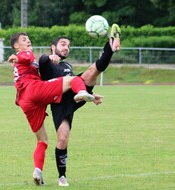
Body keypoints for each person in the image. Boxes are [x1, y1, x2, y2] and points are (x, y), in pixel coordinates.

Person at [38, 23, 121, 186]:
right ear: (53, 47)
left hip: (75, 94)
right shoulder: (48, 64)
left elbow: (75, 81)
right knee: (62, 139)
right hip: (59, 102)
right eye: (63, 44)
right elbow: (40, 60)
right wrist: (48, 57)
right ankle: (62, 176)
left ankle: (110, 45)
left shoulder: (67, 66)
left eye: (68, 45)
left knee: (93, 71)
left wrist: (89, 94)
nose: (66, 48)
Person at [8, 32, 95, 186]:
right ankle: (82, 92)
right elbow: (27, 57)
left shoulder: (24, 59)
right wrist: (18, 57)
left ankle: (37, 171)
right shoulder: (25, 54)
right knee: (73, 79)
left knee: (42, 140)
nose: (28, 41)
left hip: (25, 102)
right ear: (16, 45)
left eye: (28, 38)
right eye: (23, 39)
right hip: (33, 90)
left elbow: (31, 63)